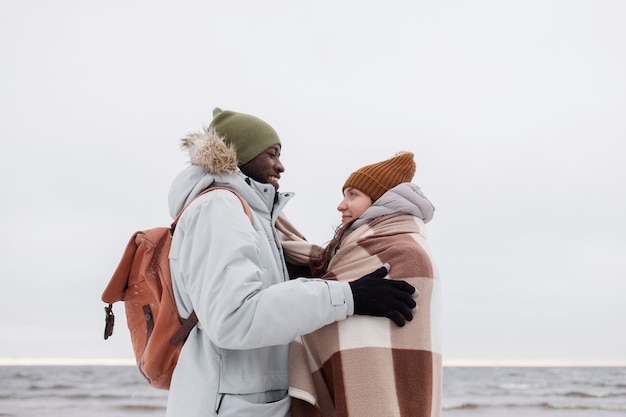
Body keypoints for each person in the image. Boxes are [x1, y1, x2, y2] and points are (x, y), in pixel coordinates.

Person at [165, 108, 419, 417]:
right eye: (272, 154)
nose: (280, 165)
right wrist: (348, 296)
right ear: (238, 154)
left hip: (244, 403)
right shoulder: (218, 208)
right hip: (229, 407)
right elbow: (234, 317)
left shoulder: (252, 215)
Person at [286, 152, 442, 417]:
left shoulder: (404, 250)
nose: (341, 205)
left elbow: (323, 303)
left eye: (352, 195)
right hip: (368, 376)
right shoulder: (360, 246)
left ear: (379, 199)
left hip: (378, 383)